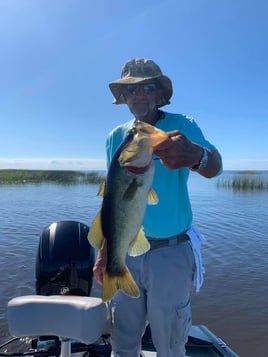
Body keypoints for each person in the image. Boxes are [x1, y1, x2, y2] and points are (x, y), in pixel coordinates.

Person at [93, 58, 222, 357]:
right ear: (123, 96)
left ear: (157, 93)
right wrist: (105, 253)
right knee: (123, 341)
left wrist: (196, 155)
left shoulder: (182, 125)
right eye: (130, 90)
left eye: (146, 88)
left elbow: (215, 167)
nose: (138, 95)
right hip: (125, 251)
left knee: (171, 344)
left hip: (171, 253)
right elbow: (112, 195)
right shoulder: (115, 136)